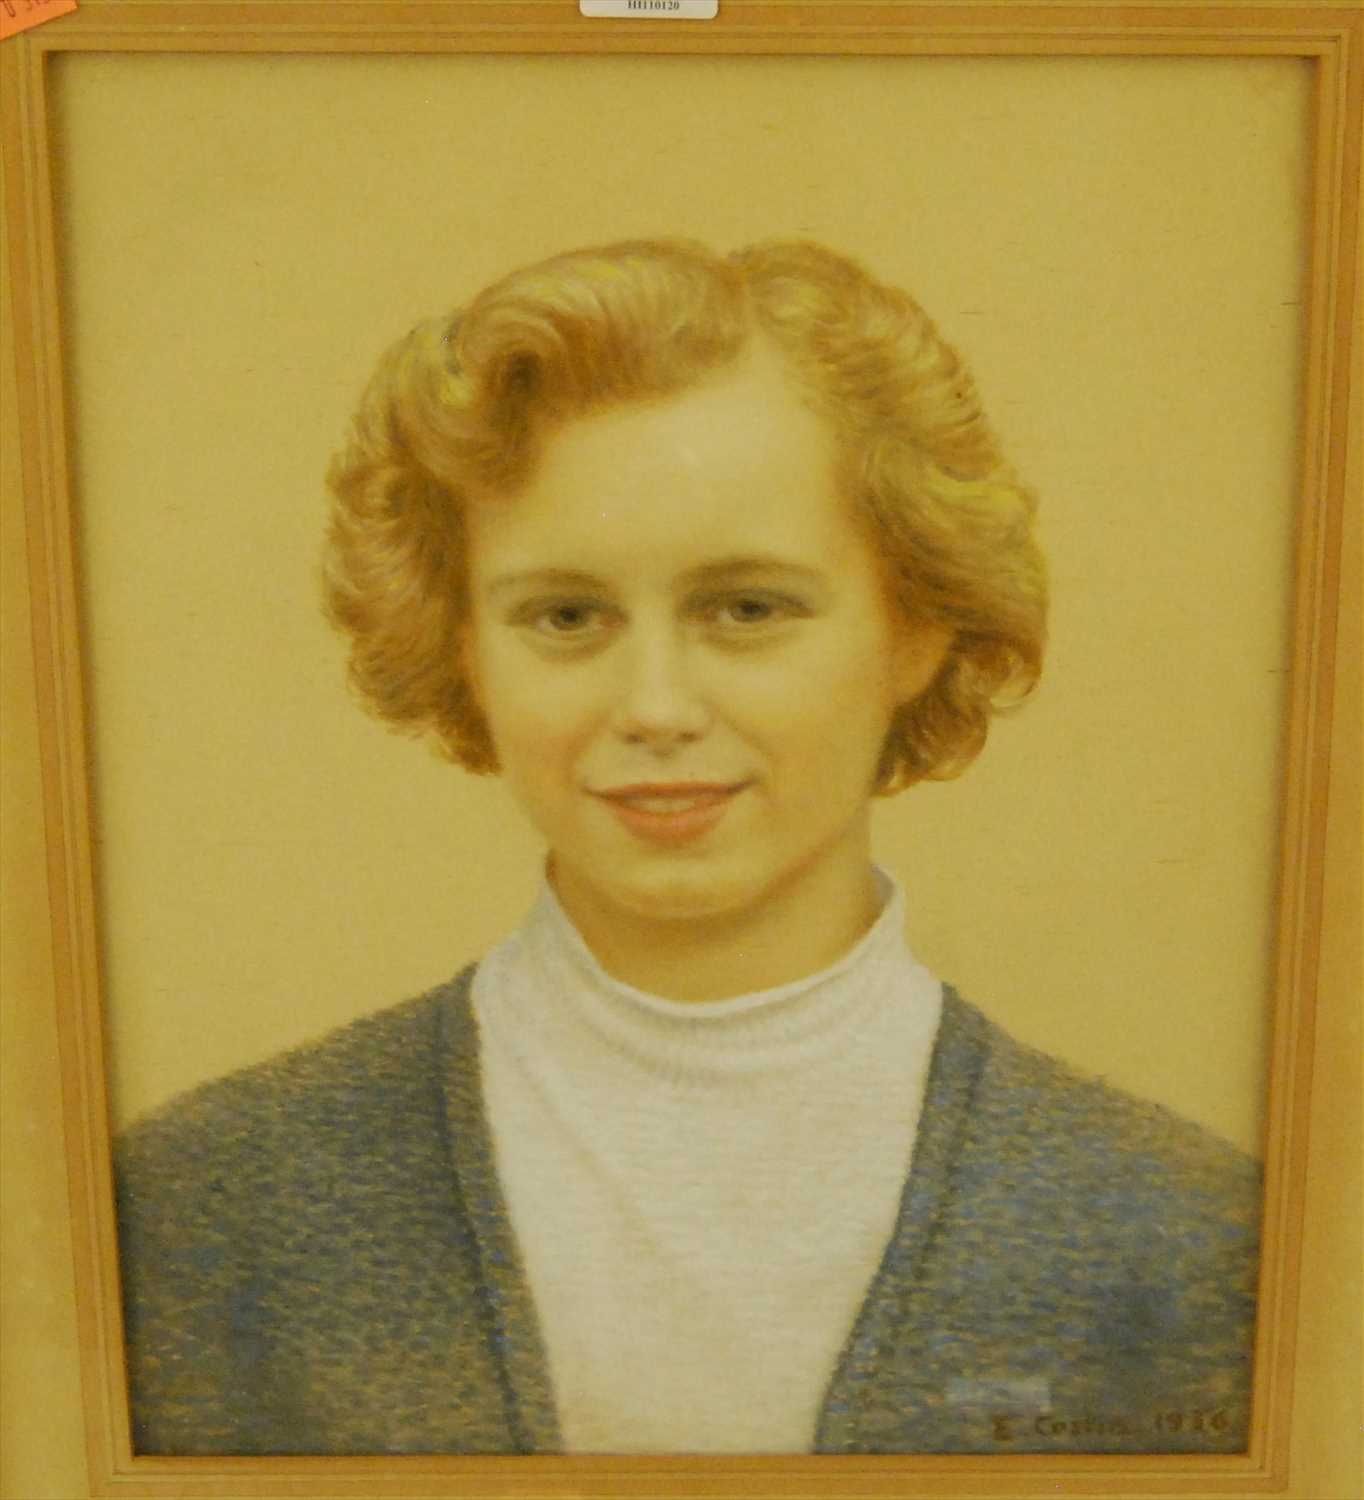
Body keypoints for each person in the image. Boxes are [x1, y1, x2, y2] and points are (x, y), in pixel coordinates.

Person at [115, 238, 1259, 1458]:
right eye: (565, 616)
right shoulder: (202, 1205)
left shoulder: (1180, 1232)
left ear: (916, 627)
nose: (653, 707)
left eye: (746, 609)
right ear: (461, 648)